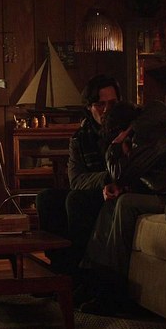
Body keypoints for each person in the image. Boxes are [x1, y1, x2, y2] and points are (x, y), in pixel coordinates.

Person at [77, 100, 166, 314]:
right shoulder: (142, 134)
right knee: (114, 201)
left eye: (115, 135)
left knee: (126, 203)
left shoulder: (147, 136)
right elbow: (139, 175)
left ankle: (114, 292)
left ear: (122, 130)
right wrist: (119, 187)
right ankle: (92, 279)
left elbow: (121, 173)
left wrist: (114, 147)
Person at [36, 74, 121, 276]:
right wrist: (106, 178)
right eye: (100, 104)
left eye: (112, 103)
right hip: (96, 187)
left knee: (76, 200)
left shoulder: (128, 128)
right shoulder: (81, 138)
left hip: (118, 191)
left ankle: (78, 272)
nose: (107, 110)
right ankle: (59, 268)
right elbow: (76, 179)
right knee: (46, 198)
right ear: (90, 107)